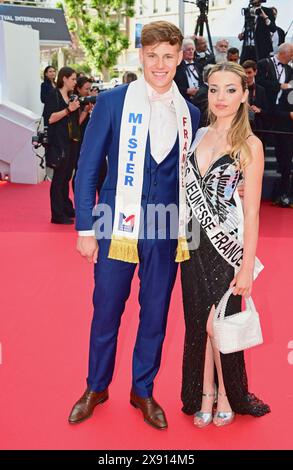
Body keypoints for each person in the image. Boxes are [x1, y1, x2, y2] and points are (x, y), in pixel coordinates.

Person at [68, 21, 200, 430]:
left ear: (180, 58)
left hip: (166, 230)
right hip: (114, 223)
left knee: (156, 313)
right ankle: (96, 385)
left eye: (168, 56)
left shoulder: (191, 113)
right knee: (106, 309)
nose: (160, 64)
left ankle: (142, 388)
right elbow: (86, 169)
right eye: (152, 55)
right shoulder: (111, 102)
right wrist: (85, 229)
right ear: (140, 55)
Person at [180, 62, 270, 427]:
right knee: (199, 322)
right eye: (214, 88)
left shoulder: (250, 144)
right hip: (190, 241)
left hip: (225, 244)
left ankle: (228, 395)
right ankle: (205, 392)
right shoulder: (197, 134)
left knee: (220, 323)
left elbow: (252, 214)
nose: (221, 97)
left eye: (231, 89)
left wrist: (246, 266)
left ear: (245, 95)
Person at [257, 43, 293, 206]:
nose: (292, 57)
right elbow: (260, 82)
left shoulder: (289, 70)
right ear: (284, 52)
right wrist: (279, 86)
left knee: (284, 154)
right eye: (291, 53)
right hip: (265, 111)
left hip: (282, 114)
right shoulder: (264, 64)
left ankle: (283, 193)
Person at [43, 67, 80, 224]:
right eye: (72, 79)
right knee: (58, 179)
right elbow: (49, 118)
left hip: (70, 142)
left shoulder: (71, 96)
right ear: (64, 79)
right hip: (58, 143)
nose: (75, 82)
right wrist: (68, 110)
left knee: (66, 177)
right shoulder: (54, 95)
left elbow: (74, 122)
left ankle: (66, 208)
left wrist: (81, 111)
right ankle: (56, 214)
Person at [242, 60, 268, 136]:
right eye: (245, 73)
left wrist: (259, 110)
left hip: (257, 128)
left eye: (249, 72)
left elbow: (267, 110)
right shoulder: (237, 89)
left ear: (255, 72)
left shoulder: (261, 90)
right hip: (241, 127)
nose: (247, 75)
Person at [174, 38, 202, 102]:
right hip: (184, 99)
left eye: (192, 49)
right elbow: (174, 85)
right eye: (188, 50)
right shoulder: (177, 67)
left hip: (199, 99)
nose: (191, 51)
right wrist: (186, 91)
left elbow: (202, 82)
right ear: (182, 52)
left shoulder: (199, 65)